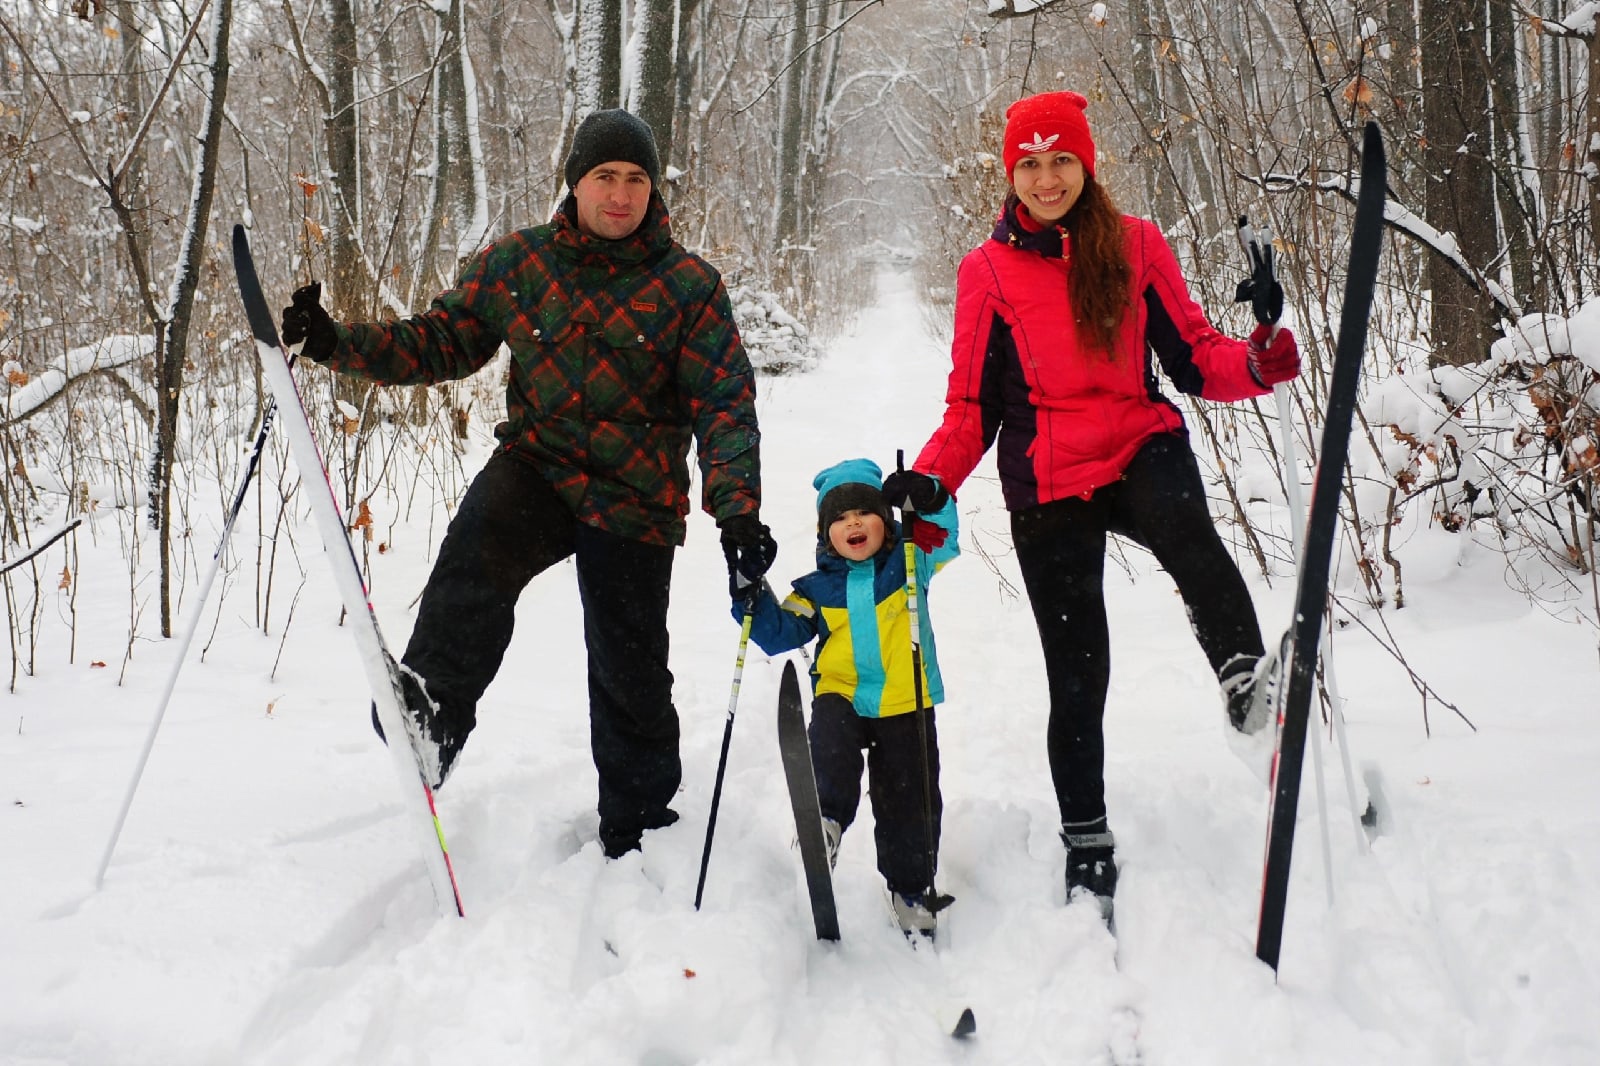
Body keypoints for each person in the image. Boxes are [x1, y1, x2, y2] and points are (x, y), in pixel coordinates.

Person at [279, 108, 778, 860]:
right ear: (574, 183)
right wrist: (335, 341)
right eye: (605, 177)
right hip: (538, 466)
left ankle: (639, 820)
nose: (620, 194)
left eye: (636, 179)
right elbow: (440, 342)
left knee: (628, 659)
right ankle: (432, 724)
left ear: (654, 190)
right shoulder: (520, 263)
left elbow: (725, 404)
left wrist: (737, 514)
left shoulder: (688, 287)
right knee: (474, 555)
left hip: (635, 491)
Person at [887, 91, 1301, 918]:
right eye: (1030, 165)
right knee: (1077, 674)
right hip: (1047, 476)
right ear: (1011, 174)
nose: (1046, 179)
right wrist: (934, 479)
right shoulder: (988, 272)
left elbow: (1194, 355)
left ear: (1087, 164)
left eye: (1061, 160)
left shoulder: (1138, 244)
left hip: (1137, 440)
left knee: (1186, 527)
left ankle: (1243, 681)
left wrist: (1257, 359)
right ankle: (1086, 834)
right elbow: (971, 410)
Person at [736, 458, 959, 939]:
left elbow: (944, 531)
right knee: (831, 742)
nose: (852, 523)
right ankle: (826, 820)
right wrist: (747, 590)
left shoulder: (911, 562)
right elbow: (779, 632)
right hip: (843, 693)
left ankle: (911, 887)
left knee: (910, 800)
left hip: (907, 699)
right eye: (838, 517)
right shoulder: (814, 591)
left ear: (887, 520)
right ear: (825, 534)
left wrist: (931, 497)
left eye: (864, 512)